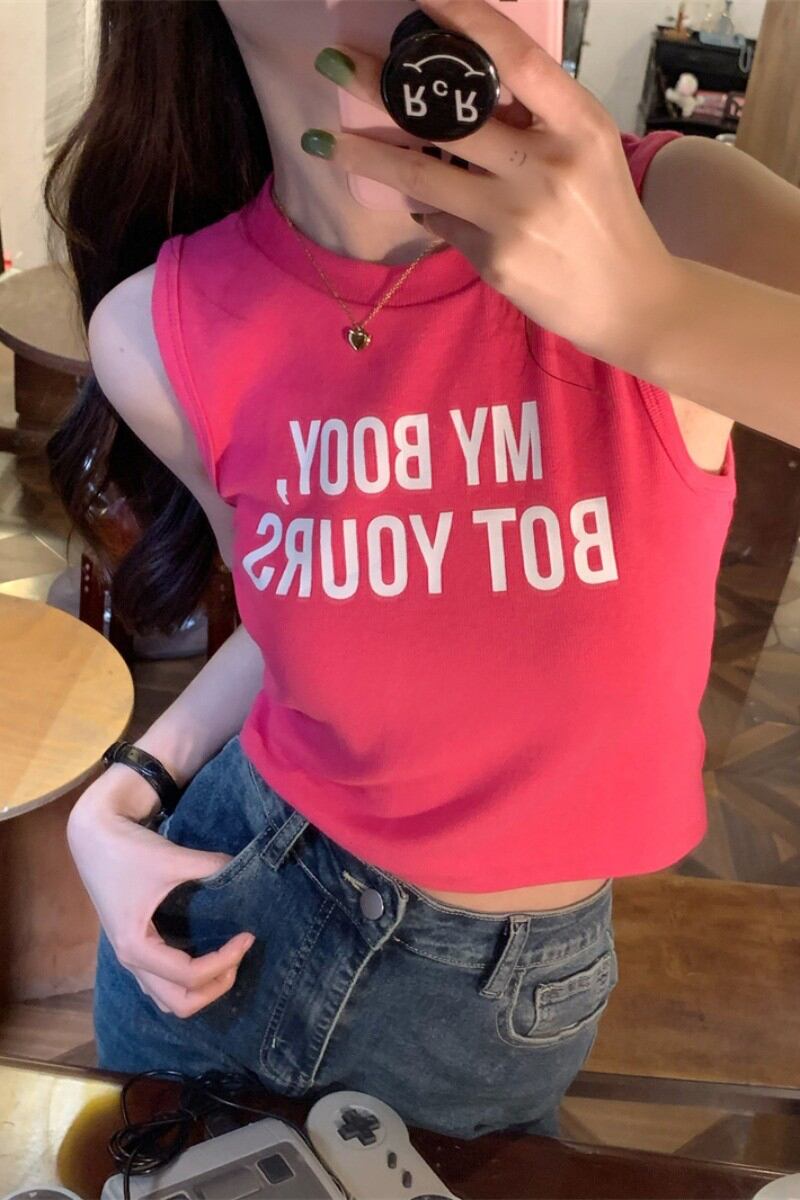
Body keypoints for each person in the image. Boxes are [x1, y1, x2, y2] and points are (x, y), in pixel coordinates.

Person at [44, 0, 751, 1141]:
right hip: (218, 910)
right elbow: (296, 615)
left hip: (486, 1010)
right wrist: (125, 791)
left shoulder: (680, 218)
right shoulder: (157, 330)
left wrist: (655, 311)